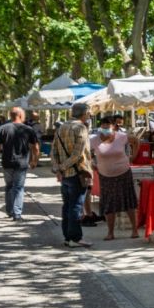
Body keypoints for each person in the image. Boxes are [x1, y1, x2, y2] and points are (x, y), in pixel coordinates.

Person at [52, 102, 93, 248]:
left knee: (67, 206)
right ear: (85, 113)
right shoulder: (80, 128)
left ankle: (68, 237)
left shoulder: (61, 127)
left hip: (65, 174)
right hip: (77, 172)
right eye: (89, 113)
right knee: (75, 206)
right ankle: (75, 238)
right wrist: (62, 167)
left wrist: (58, 169)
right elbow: (78, 153)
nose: (89, 115)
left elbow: (54, 151)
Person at [91, 116, 139, 240]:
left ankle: (134, 230)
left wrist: (133, 157)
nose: (106, 128)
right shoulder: (95, 140)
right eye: (103, 126)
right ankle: (110, 232)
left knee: (128, 202)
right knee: (108, 204)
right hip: (105, 175)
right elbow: (85, 152)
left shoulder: (121, 136)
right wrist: (91, 164)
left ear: (114, 126)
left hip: (123, 172)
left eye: (108, 125)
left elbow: (135, 141)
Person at [0, 107, 40, 222]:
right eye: (24, 114)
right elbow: (35, 147)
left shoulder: (2, 128)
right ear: (20, 115)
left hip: (7, 162)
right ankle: (17, 214)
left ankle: (10, 211)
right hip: (22, 163)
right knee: (19, 188)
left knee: (9, 186)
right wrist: (35, 160)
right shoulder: (28, 129)